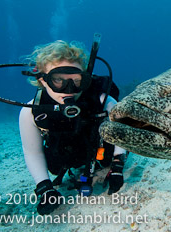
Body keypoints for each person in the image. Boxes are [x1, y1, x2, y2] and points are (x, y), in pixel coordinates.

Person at [19, 40, 127, 215]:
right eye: (58, 80)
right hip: (65, 157)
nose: (69, 89)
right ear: (42, 80)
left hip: (98, 152)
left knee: (104, 158)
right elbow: (33, 152)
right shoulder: (30, 111)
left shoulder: (103, 101)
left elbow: (121, 132)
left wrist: (117, 166)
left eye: (76, 81)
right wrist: (44, 187)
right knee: (55, 164)